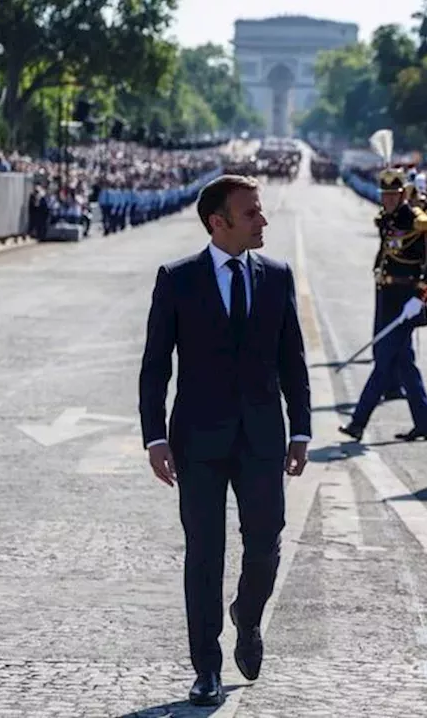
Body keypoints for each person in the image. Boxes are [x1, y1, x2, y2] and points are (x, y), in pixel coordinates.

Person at [137, 173, 313, 707]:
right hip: (198, 439)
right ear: (219, 222)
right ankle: (206, 667)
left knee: (266, 544)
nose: (263, 220)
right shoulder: (178, 278)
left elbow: (293, 361)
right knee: (204, 554)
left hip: (261, 437)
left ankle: (248, 615)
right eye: (252, 213)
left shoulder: (278, 277)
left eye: (260, 211)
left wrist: (301, 428)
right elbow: (154, 367)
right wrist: (154, 437)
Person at [340, 167, 427, 442]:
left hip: (405, 300)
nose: (387, 200)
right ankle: (425, 424)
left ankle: (358, 422)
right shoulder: (387, 220)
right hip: (385, 297)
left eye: (392, 195)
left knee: (383, 362)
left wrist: (419, 299)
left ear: (402, 195)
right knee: (405, 365)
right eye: (384, 195)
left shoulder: (416, 222)